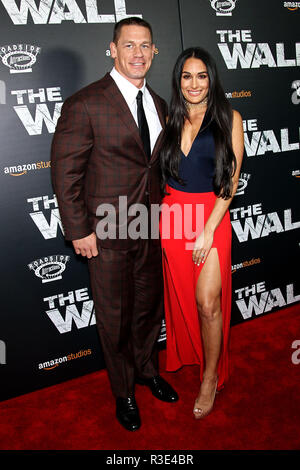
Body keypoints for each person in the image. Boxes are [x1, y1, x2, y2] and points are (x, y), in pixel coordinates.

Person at [51, 17, 178, 432]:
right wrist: (78, 230)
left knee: (147, 309)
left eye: (145, 46)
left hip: (149, 227)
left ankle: (146, 371)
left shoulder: (159, 103)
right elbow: (66, 173)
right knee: (113, 315)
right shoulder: (85, 102)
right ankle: (123, 391)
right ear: (112, 49)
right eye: (129, 46)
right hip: (104, 233)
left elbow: (152, 168)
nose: (138, 53)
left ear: (154, 51)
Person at [160, 47, 244, 419]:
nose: (194, 84)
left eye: (201, 76)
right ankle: (194, 355)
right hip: (172, 217)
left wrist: (209, 229)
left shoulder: (229, 118)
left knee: (208, 303)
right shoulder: (168, 118)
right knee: (184, 299)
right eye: (186, 76)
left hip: (211, 216)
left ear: (212, 78)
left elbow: (231, 179)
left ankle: (209, 377)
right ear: (178, 81)